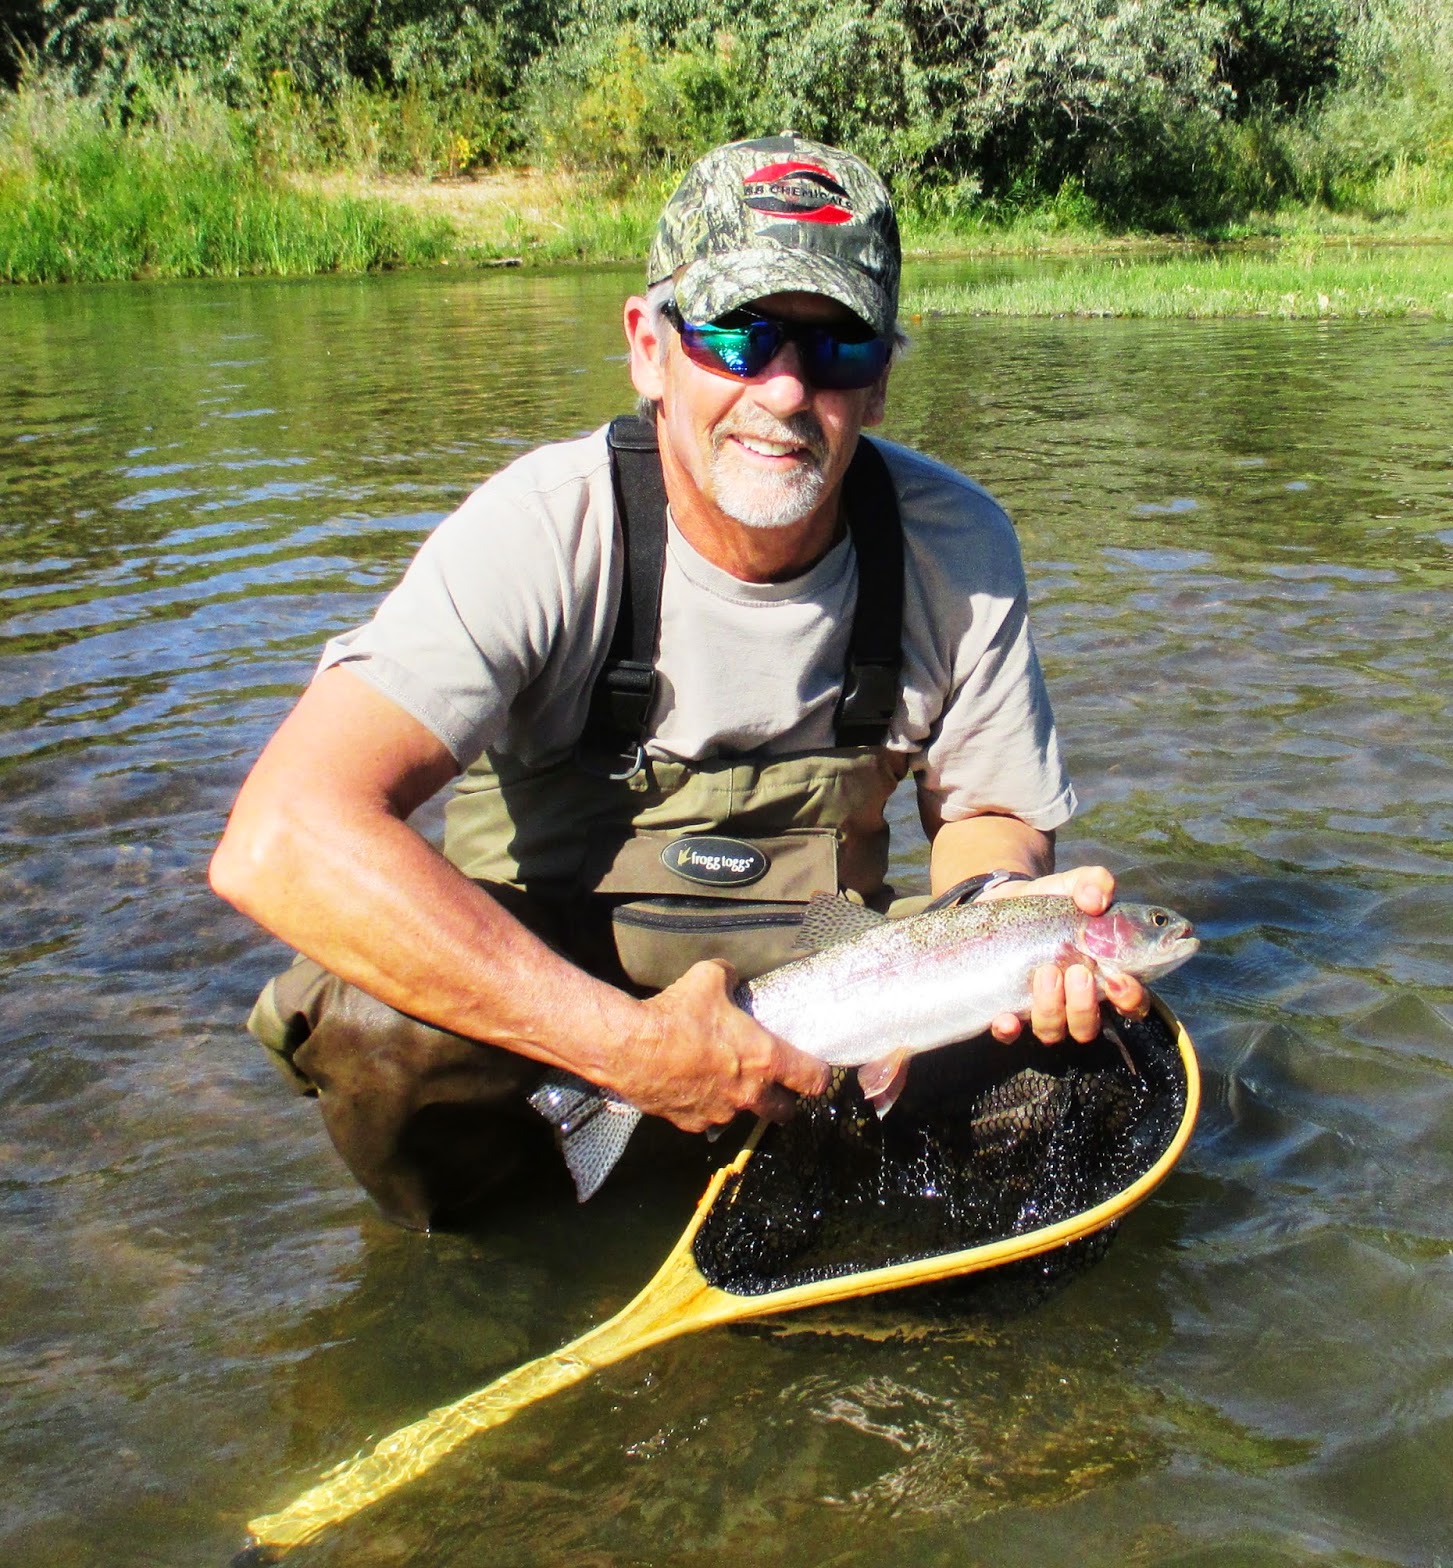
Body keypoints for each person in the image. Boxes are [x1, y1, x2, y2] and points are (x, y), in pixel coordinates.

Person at [210, 132, 1151, 1231]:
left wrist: (1000, 936)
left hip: (823, 1011)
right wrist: (629, 1051)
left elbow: (987, 814)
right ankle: (514, 1244)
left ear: (882, 379)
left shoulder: (955, 547)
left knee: (1075, 1061)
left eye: (836, 347)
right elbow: (279, 839)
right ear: (648, 347)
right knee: (376, 1016)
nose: (786, 389)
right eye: (736, 335)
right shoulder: (541, 533)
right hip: (547, 1020)